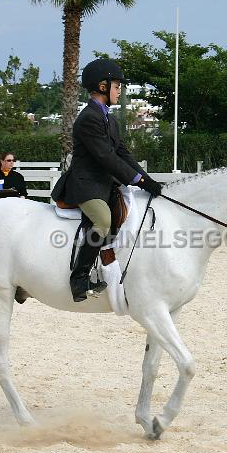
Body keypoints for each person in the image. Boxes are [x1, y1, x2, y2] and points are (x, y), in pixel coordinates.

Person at [50, 58, 163, 303]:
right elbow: (106, 157)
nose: (119, 89)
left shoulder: (109, 119)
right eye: (116, 85)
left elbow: (122, 153)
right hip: (86, 183)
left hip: (105, 184)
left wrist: (146, 179)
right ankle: (79, 278)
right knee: (102, 220)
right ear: (102, 86)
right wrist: (138, 181)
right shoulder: (88, 118)